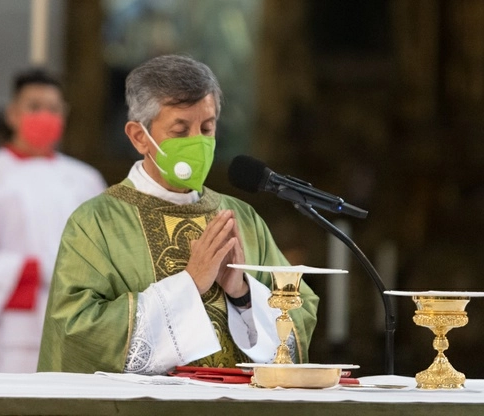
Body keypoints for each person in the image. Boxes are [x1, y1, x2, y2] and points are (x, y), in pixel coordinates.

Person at [37, 54, 318, 374]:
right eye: (180, 130)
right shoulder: (97, 223)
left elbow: (298, 311)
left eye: (207, 128)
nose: (197, 143)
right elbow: (77, 330)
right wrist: (189, 285)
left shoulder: (242, 218)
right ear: (139, 136)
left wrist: (242, 294)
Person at [0, 68, 106, 372]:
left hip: (76, 326)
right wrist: (31, 271)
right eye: (34, 107)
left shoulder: (86, 180)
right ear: (12, 114)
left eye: (53, 109)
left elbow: (107, 253)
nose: (45, 116)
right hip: (13, 331)